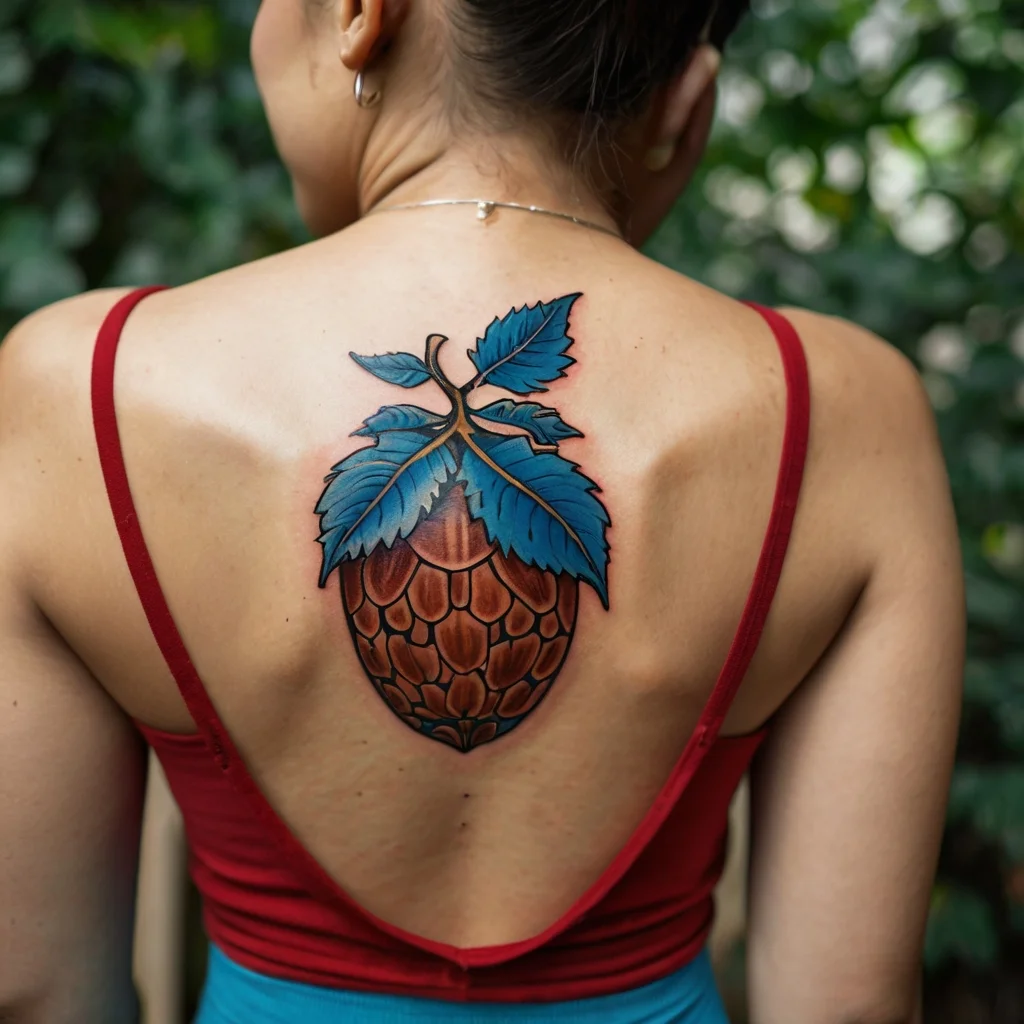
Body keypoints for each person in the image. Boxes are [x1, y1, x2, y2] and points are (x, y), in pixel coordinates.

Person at [0, 0, 965, 1021]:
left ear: (359, 13)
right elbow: (848, 1005)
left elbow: (34, 990)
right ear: (686, 99)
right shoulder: (843, 415)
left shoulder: (86, 393)